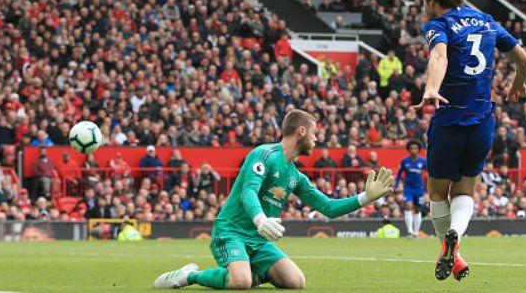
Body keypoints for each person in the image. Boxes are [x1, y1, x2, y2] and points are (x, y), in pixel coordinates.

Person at [153, 109, 394, 289]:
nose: (316, 139)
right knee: (240, 282)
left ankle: (251, 270)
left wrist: (365, 198)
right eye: (314, 133)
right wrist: (259, 220)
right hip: (231, 231)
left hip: (258, 240)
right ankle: (190, 275)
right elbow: (248, 191)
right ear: (301, 131)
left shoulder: (295, 175)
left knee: (296, 282)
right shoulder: (264, 154)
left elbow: (328, 207)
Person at [414, 0, 526, 281]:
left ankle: (449, 245)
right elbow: (524, 60)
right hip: (482, 121)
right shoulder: (488, 22)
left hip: (450, 120)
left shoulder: (438, 24)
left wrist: (431, 88)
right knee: (466, 190)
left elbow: (439, 56)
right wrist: (518, 83)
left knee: (438, 194)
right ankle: (456, 245)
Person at [395, 140, 427, 238]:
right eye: (411, 148)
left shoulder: (423, 161)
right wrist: (397, 184)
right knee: (408, 206)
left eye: (415, 148)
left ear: (418, 150)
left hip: (419, 189)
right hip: (408, 188)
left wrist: (428, 189)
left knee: (417, 209)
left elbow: (429, 174)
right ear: (409, 150)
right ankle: (409, 231)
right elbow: (399, 173)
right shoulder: (405, 161)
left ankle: (416, 232)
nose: (413, 150)